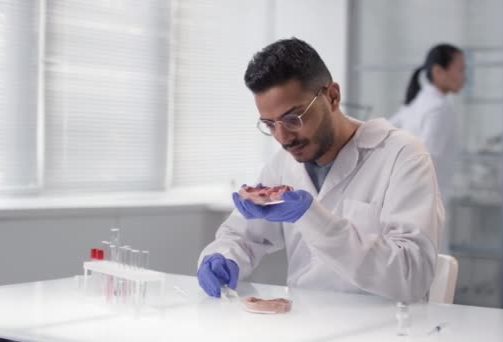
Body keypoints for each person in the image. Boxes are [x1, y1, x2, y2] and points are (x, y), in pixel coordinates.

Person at [196, 38, 444, 304]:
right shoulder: (283, 163)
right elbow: (241, 235)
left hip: (386, 326)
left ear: (333, 96)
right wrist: (223, 256)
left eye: (294, 118)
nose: (283, 137)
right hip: (305, 321)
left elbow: (412, 276)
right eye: (270, 124)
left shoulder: (402, 155)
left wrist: (315, 218)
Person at [390, 44, 465, 202]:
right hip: (424, 201)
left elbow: (385, 133)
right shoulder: (440, 109)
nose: (464, 77)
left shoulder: (418, 101)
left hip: (408, 198)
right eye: (460, 70)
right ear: (438, 71)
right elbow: (427, 161)